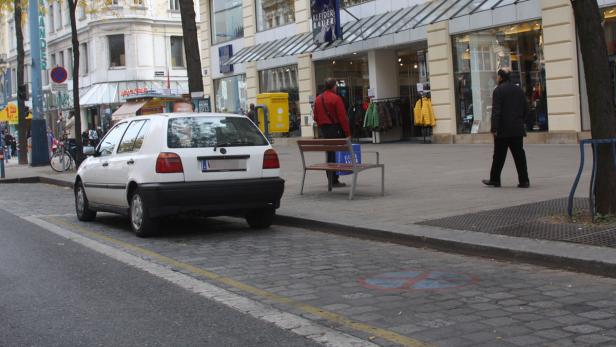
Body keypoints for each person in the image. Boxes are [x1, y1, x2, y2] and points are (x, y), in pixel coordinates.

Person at [483, 68, 530, 188]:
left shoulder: (498, 91)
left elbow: (496, 111)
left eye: (498, 76)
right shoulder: (518, 89)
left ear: (501, 77)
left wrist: (494, 128)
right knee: (519, 156)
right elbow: (526, 108)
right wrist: (521, 121)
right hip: (517, 129)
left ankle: (495, 179)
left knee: (498, 156)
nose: (496, 78)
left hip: (502, 130)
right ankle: (524, 180)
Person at [313, 77, 351, 188]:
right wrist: (347, 133)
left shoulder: (318, 99)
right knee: (334, 154)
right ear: (334, 86)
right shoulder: (336, 98)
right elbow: (343, 118)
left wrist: (322, 125)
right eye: (336, 86)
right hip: (334, 129)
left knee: (329, 154)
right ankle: (334, 180)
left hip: (324, 131)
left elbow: (315, 116)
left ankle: (330, 178)